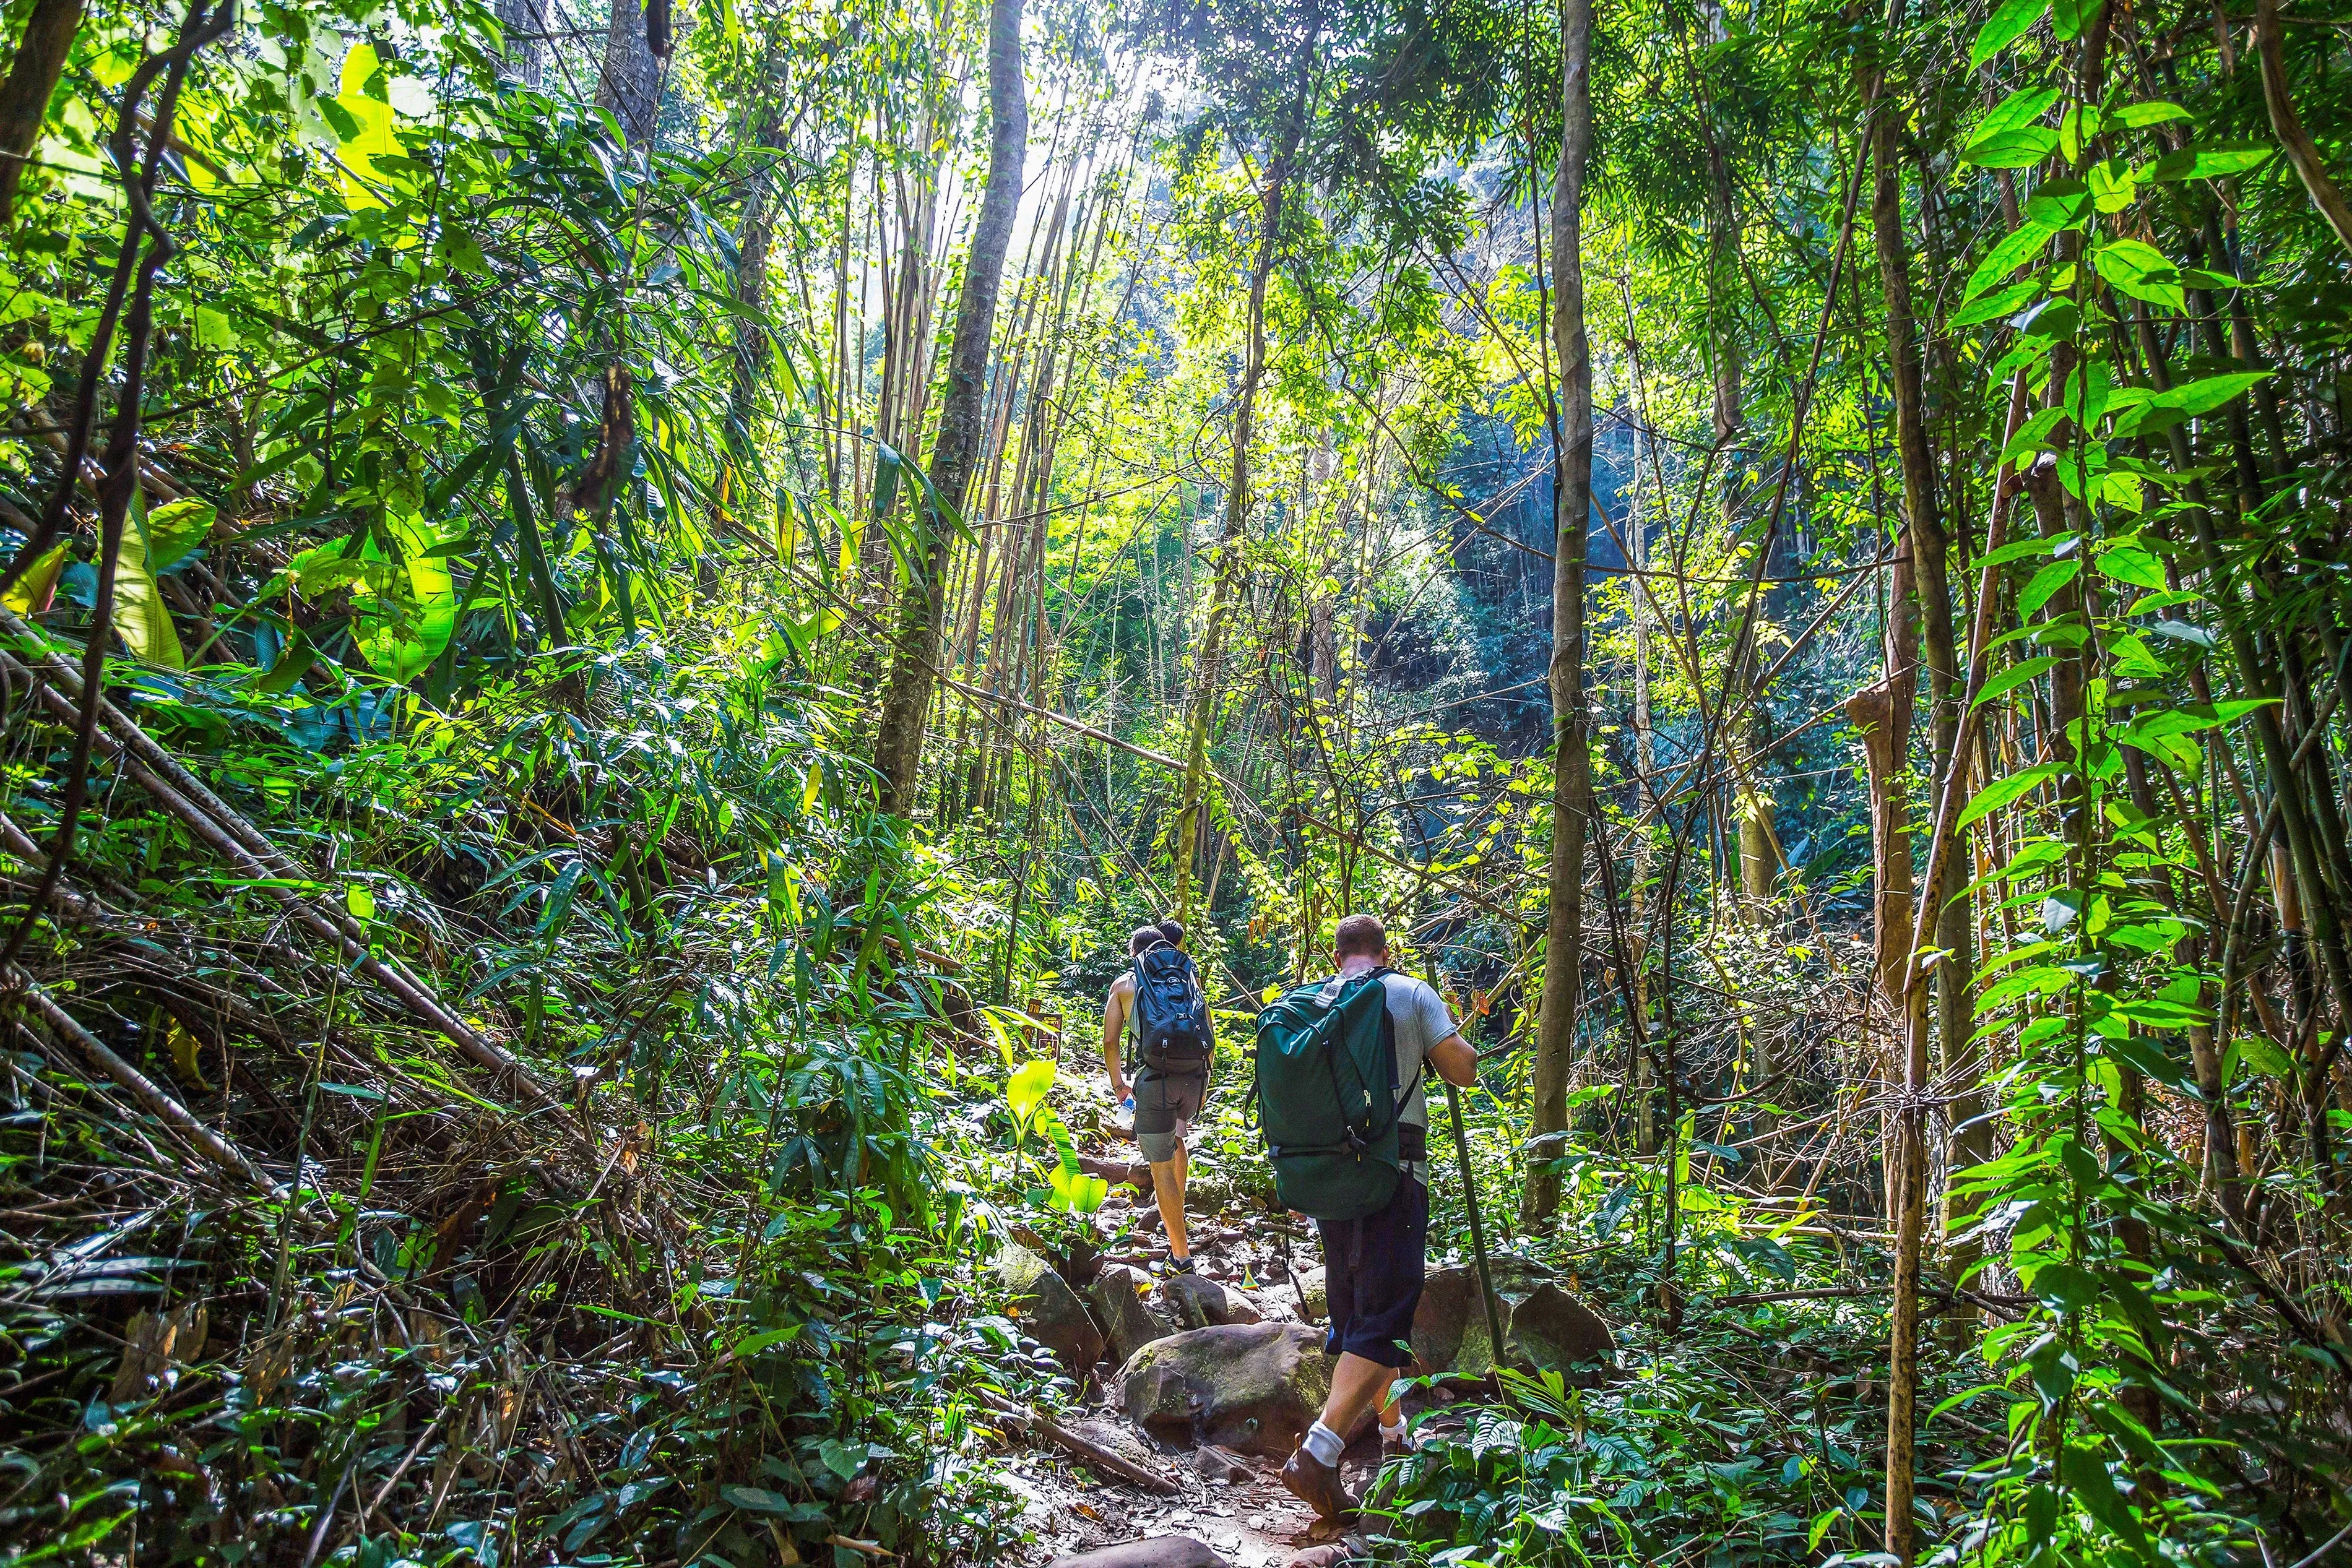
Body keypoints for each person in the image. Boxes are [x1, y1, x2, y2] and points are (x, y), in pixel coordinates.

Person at [1279, 912, 1477, 1520]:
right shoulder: (1409, 991)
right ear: (1385, 952)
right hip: (1393, 1173)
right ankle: (1320, 1450)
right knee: (1386, 1314)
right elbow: (1463, 1069)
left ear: (1335, 955)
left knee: (1361, 1316)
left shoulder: (1313, 1001)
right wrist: (1453, 1036)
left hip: (1329, 1178)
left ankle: (1394, 1435)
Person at [1100, 918, 1204, 1274]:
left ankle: (1181, 1256)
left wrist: (1119, 1085)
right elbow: (1207, 1033)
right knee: (1177, 1141)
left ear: (1134, 953)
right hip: (1193, 1079)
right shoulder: (1188, 978)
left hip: (1156, 1081)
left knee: (1160, 1166)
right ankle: (1176, 1217)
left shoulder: (1125, 985)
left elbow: (1110, 1041)